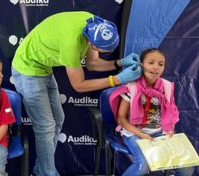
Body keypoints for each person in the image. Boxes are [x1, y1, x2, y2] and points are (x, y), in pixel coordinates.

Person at [11, 11, 141, 176]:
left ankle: (40, 169)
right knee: (45, 126)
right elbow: (79, 85)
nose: (102, 53)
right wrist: (117, 79)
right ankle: (47, 172)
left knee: (58, 119)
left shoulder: (94, 24)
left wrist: (119, 63)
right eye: (101, 50)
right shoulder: (71, 43)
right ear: (91, 42)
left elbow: (92, 63)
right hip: (27, 70)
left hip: (43, 68)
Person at [110, 48, 194, 176]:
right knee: (143, 164)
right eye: (151, 62)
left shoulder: (166, 86)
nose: (156, 67)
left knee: (186, 165)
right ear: (142, 65)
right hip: (134, 133)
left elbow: (170, 112)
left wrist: (170, 129)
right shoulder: (131, 87)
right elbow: (121, 118)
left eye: (160, 64)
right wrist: (141, 135)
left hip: (159, 132)